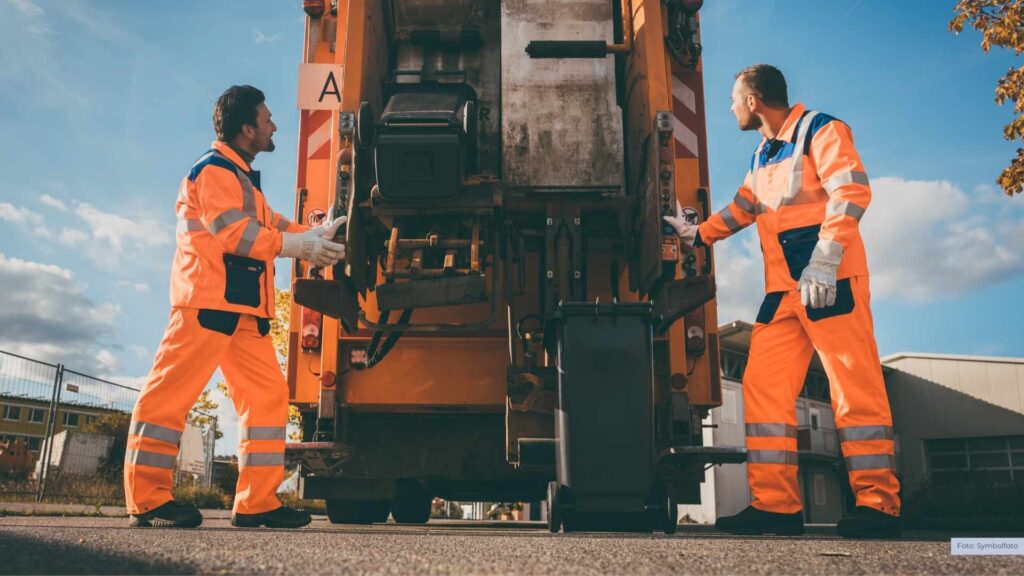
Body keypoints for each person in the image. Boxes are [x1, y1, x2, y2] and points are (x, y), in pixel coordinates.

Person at [664, 64, 901, 539]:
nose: (731, 107)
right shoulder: (763, 156)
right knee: (763, 386)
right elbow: (744, 208)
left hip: (830, 283)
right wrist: (698, 234)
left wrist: (826, 260)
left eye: (734, 99)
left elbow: (851, 190)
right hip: (785, 293)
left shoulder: (821, 130)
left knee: (853, 388)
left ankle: (879, 504)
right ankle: (776, 506)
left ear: (753, 101)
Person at [124, 85, 345, 529]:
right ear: (247, 129)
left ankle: (256, 502)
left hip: (241, 311)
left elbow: (272, 224)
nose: (274, 126)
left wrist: (314, 236)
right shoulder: (213, 171)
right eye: (267, 119)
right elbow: (234, 235)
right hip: (205, 306)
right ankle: (147, 500)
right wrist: (297, 246)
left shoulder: (241, 179)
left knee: (268, 398)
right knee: (168, 398)